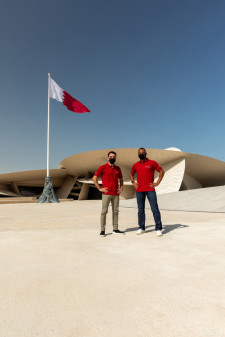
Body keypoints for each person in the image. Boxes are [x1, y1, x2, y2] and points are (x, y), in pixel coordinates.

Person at [130, 147, 165, 236]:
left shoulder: (152, 162)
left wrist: (157, 182)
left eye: (143, 152)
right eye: (140, 153)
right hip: (139, 190)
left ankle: (158, 228)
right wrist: (133, 182)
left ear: (146, 153)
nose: (141, 154)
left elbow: (161, 171)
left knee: (155, 209)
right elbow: (131, 173)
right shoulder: (135, 165)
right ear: (138, 154)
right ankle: (141, 228)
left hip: (150, 189)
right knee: (140, 210)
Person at [93, 151, 124, 237]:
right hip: (106, 193)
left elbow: (121, 179)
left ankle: (115, 229)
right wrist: (99, 188)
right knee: (104, 212)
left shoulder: (118, 168)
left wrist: (121, 188)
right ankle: (102, 230)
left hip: (116, 194)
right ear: (108, 158)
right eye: (110, 157)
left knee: (115, 211)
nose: (112, 158)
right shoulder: (103, 167)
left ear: (115, 158)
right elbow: (94, 178)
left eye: (113, 157)